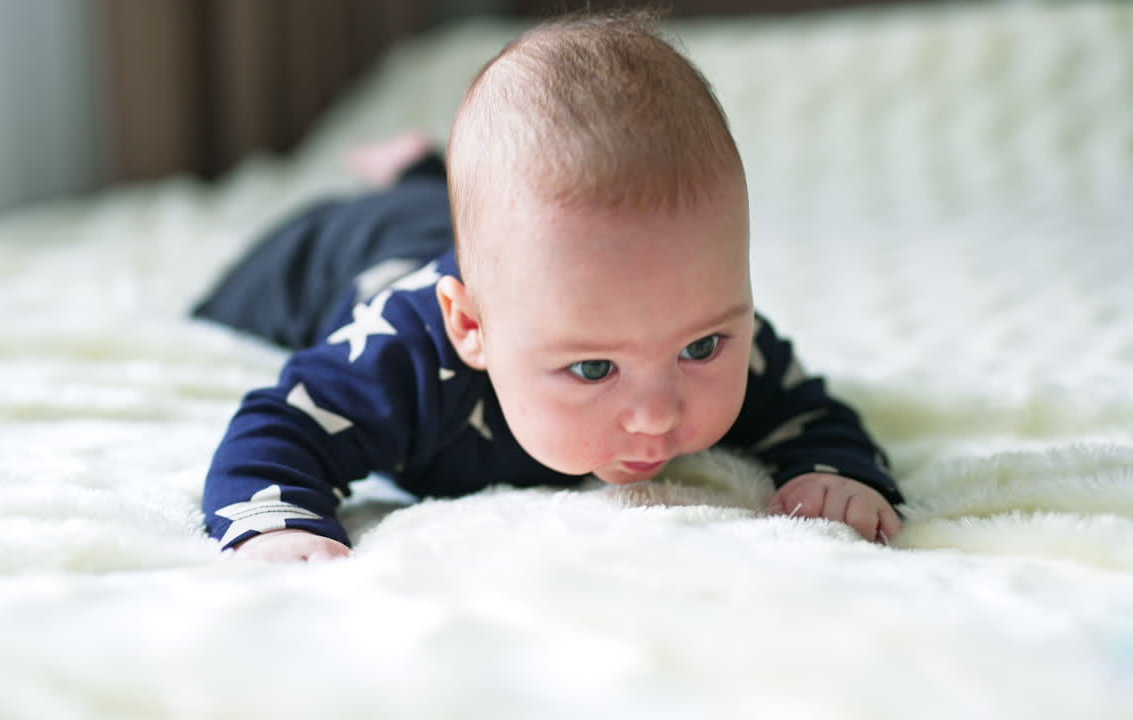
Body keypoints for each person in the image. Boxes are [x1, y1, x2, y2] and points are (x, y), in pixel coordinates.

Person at [193, 12, 904, 563]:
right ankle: (414, 172)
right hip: (351, 249)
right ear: (471, 329)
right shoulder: (405, 355)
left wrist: (839, 474)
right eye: (594, 368)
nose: (657, 415)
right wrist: (275, 523)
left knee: (482, 219)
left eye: (700, 348)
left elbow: (814, 415)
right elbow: (279, 427)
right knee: (244, 296)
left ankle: (423, 171)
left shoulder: (698, 316)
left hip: (502, 252)